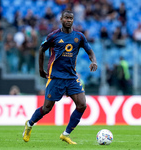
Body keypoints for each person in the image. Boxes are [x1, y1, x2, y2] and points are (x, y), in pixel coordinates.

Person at [22, 10, 98, 144]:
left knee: (82, 105)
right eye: (66, 18)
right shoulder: (54, 36)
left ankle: (66, 134)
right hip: (56, 77)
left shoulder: (79, 36)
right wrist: (41, 69)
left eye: (71, 18)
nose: (69, 20)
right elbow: (41, 49)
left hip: (71, 77)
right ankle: (30, 124)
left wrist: (94, 61)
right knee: (47, 108)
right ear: (61, 19)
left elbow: (89, 50)